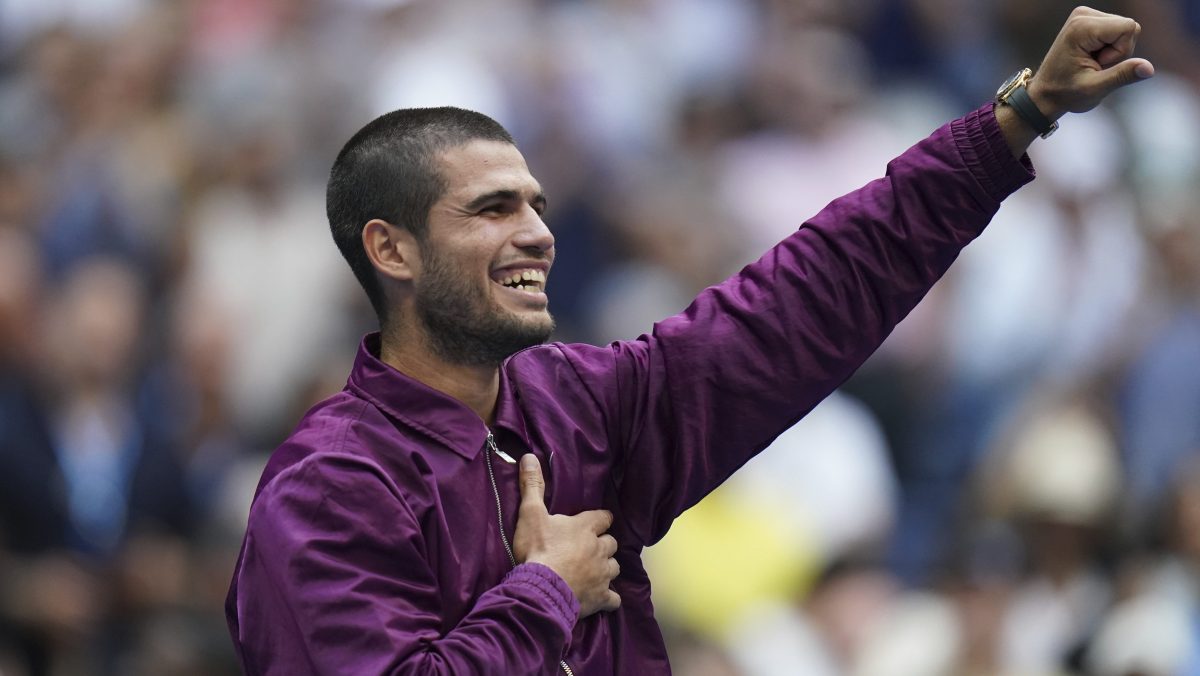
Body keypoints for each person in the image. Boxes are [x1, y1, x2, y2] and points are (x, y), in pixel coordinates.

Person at [225, 7, 1155, 674]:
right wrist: (547, 592)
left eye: (538, 206)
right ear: (390, 248)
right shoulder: (328, 486)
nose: (539, 233)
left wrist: (1016, 120)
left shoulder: (582, 403)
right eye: (492, 208)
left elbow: (804, 298)